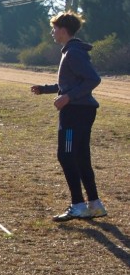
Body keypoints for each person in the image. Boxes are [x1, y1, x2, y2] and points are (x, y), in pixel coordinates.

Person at [30, 11, 107, 222]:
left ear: (63, 30)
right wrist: (45, 89)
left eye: (54, 29)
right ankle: (95, 205)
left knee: (66, 155)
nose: (52, 32)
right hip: (80, 111)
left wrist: (68, 98)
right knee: (80, 156)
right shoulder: (70, 52)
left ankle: (78, 205)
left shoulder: (73, 53)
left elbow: (93, 79)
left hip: (75, 114)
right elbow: (70, 83)